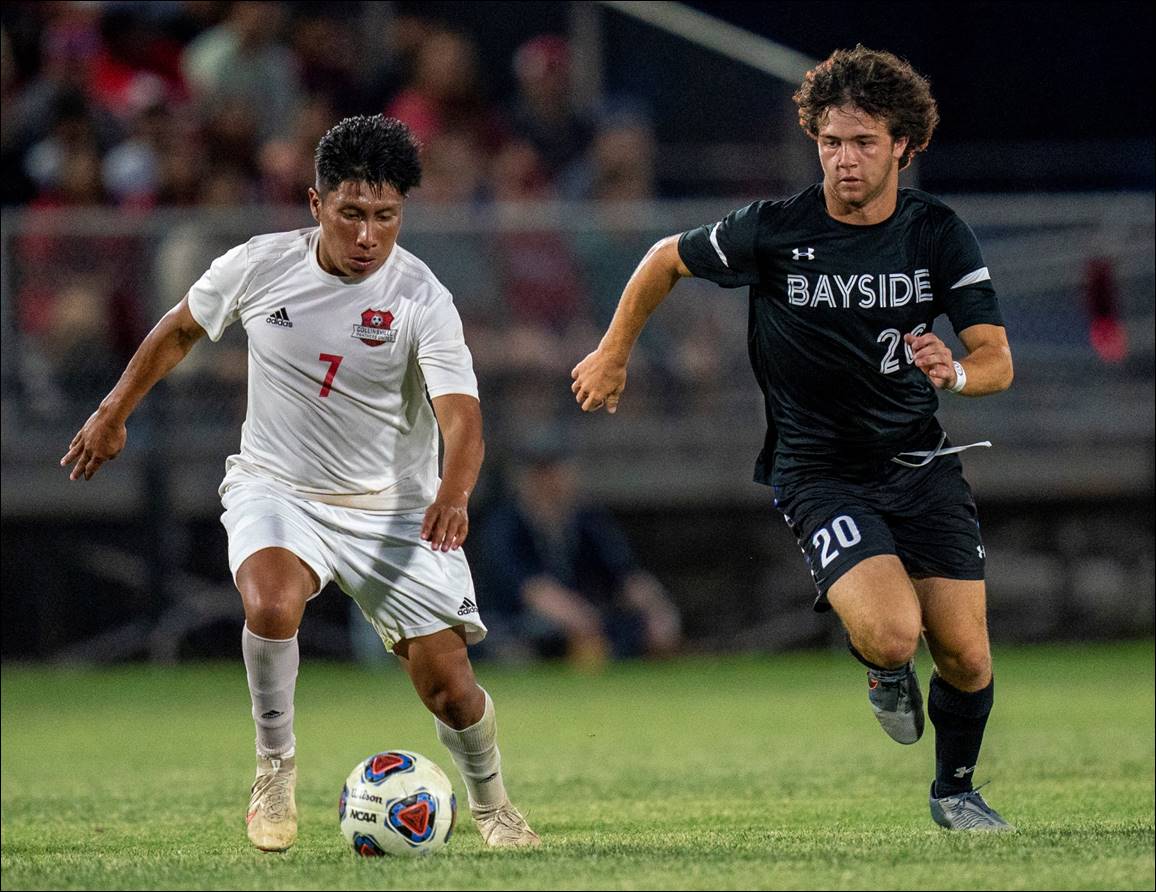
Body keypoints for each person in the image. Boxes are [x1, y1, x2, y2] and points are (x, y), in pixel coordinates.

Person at [61, 114, 540, 851]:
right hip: (278, 488)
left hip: (397, 508)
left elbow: (463, 417)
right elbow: (180, 328)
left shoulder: (423, 297)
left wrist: (452, 493)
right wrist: (112, 411)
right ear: (315, 204)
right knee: (272, 602)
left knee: (450, 688)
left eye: (385, 217)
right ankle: (275, 769)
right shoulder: (260, 265)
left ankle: (493, 807)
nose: (368, 236)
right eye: (352, 214)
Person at [571, 46, 1015, 831]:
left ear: (905, 144)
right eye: (831, 141)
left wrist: (955, 376)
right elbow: (662, 258)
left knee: (969, 658)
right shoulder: (775, 231)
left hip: (922, 465)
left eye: (865, 142)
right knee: (890, 633)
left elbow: (996, 361)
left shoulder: (938, 234)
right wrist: (613, 352)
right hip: (819, 473)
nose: (845, 159)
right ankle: (883, 669)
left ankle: (956, 793)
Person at [473, 444, 682, 668]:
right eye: (540, 473)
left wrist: (657, 610)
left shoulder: (589, 520)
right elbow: (530, 589)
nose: (549, 481)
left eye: (556, 471)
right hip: (516, 625)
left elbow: (626, 575)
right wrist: (581, 620)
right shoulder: (503, 525)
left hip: (584, 622)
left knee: (632, 631)